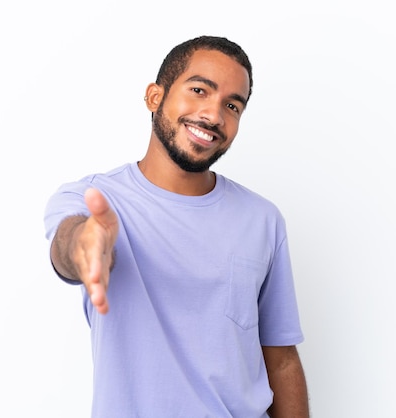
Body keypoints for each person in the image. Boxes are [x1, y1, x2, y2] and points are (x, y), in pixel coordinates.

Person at [44, 35, 309, 418]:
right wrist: (85, 245)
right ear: (155, 97)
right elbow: (69, 243)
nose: (214, 115)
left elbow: (281, 358)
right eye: (199, 89)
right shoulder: (93, 199)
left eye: (232, 105)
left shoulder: (263, 219)